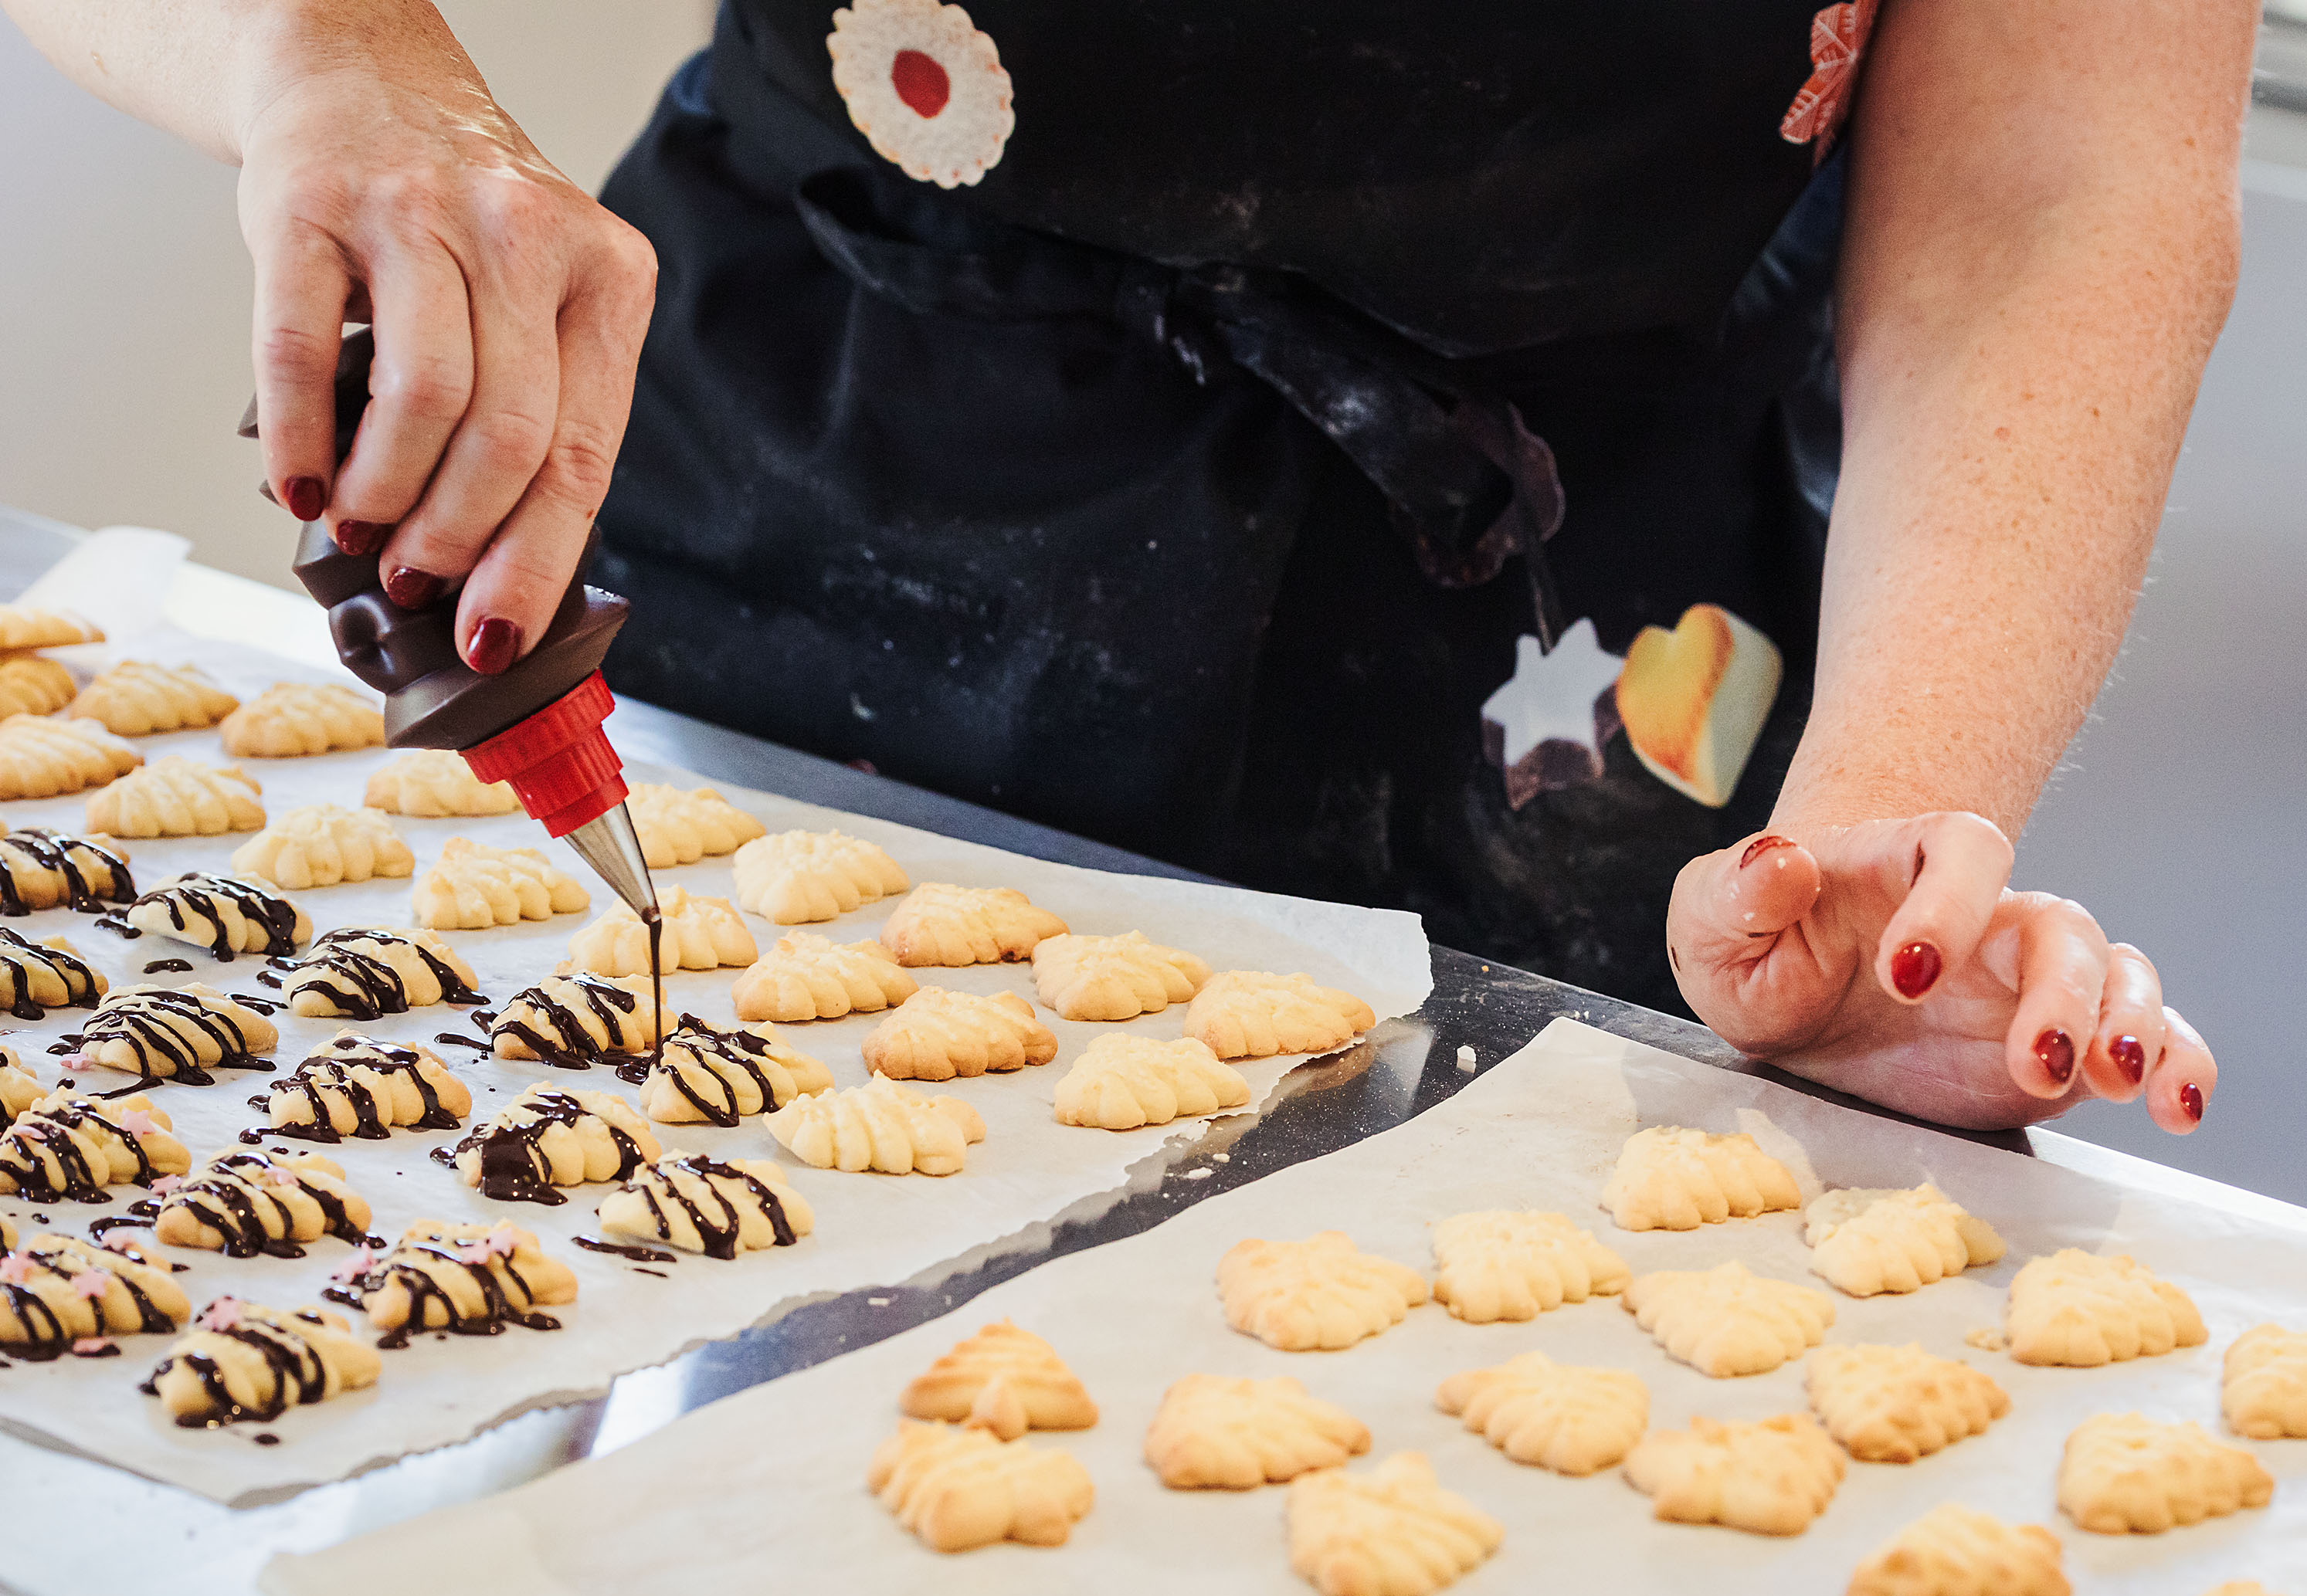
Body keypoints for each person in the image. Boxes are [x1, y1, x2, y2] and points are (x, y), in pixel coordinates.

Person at [4, 0, 2245, 1136]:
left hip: (1569, 662)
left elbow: (2058, 176)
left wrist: (1877, 841)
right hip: (784, 511)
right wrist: (346, 75)